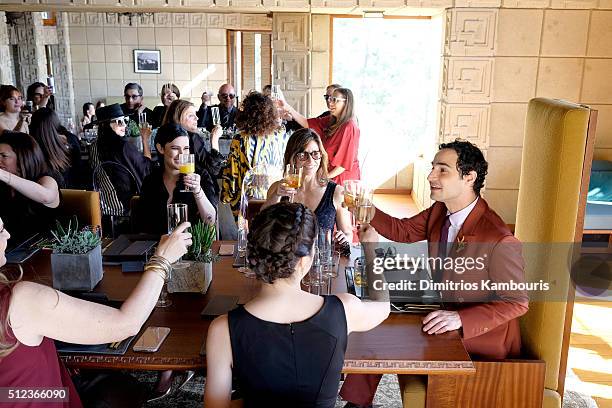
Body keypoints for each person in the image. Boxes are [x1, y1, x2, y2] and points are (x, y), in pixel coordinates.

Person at [340, 139, 529, 408]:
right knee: (377, 319)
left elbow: (516, 302)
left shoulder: (498, 238)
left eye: (442, 170)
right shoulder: (441, 210)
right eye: (432, 168)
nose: (431, 176)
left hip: (481, 340)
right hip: (443, 314)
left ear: (469, 178)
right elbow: (403, 231)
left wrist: (459, 319)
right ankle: (358, 404)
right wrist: (362, 206)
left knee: (385, 329)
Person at [204, 202, 390, 408]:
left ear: (254, 256)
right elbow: (382, 305)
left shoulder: (223, 329)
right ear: (304, 261)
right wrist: (371, 250)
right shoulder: (345, 309)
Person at [0, 217, 191, 407]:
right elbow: (127, 324)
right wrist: (162, 259)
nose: (8, 235)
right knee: (123, 388)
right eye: (0, 230)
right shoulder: (21, 300)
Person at [263, 128, 352, 244]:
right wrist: (276, 195)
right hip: (286, 260)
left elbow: (348, 234)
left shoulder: (336, 192)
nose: (310, 160)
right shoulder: (278, 188)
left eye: (315, 154)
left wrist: (345, 239)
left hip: (322, 261)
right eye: (302, 155)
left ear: (321, 156)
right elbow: (263, 224)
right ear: (292, 158)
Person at [134, 123, 217, 235]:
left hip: (194, 246)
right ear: (160, 148)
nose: (182, 154)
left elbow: (210, 221)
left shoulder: (201, 176)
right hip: (161, 247)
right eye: (175, 148)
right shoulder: (151, 181)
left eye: (186, 149)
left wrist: (198, 191)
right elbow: (142, 225)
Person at [221, 91, 289, 219]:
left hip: (249, 197)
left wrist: (228, 195)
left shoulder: (240, 139)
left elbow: (233, 172)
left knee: (250, 234)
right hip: (276, 195)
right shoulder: (282, 136)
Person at [282, 87, 360, 186]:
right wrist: (287, 107)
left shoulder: (350, 126)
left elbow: (343, 165)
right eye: (330, 99)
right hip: (328, 175)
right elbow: (307, 123)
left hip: (343, 179)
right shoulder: (332, 120)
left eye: (335, 100)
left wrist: (324, 177)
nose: (330, 103)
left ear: (346, 103)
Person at [0, 132, 60, 247]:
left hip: (43, 252)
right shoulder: (3, 185)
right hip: (8, 252)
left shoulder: (47, 178)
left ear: (23, 156)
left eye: (4, 156)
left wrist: (2, 175)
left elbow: (46, 196)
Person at [90, 104, 152, 213]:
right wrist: (145, 139)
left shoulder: (93, 146)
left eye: (125, 120)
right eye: (119, 122)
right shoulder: (124, 146)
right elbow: (146, 170)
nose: (124, 125)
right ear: (105, 125)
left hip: (104, 206)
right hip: (128, 207)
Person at [161, 99, 224, 181]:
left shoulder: (163, 134)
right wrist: (214, 139)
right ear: (178, 117)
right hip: (194, 186)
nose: (197, 118)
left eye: (196, 114)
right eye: (191, 115)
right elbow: (214, 169)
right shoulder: (191, 138)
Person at [29, 108, 82, 190]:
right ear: (57, 123)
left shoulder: (30, 148)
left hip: (41, 195)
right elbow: (78, 170)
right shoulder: (71, 141)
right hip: (72, 194)